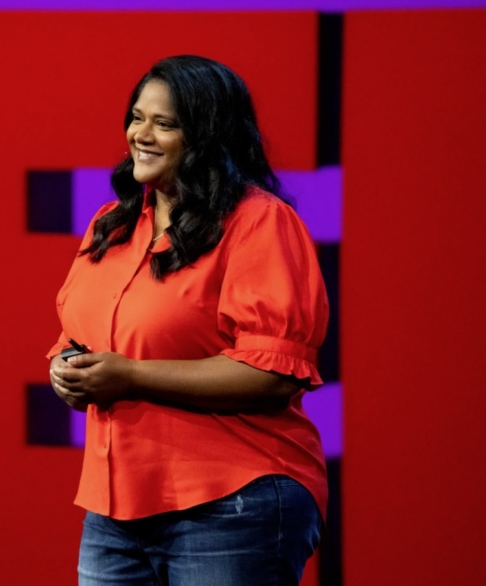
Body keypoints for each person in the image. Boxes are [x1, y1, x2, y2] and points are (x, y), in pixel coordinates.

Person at [47, 55, 329, 585]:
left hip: (231, 499)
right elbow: (79, 336)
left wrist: (129, 375)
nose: (141, 134)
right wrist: (69, 372)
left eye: (165, 123)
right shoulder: (111, 224)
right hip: (114, 508)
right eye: (136, 116)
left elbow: (273, 374)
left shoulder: (259, 223)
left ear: (207, 136)